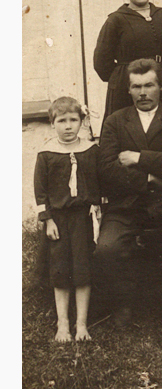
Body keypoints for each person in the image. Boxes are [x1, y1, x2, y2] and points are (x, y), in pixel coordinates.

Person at [94, 58, 162, 352]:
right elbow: (106, 169)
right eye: (136, 87)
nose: (143, 92)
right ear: (128, 90)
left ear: (161, 86)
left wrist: (139, 158)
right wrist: (150, 178)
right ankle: (123, 304)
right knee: (107, 247)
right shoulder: (115, 121)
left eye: (149, 85)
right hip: (127, 203)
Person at [34, 97, 102, 342]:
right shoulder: (46, 154)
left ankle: (81, 324)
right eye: (62, 121)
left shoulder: (90, 151)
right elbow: (40, 191)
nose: (68, 126)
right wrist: (48, 220)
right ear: (53, 123)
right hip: (59, 221)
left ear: (81, 121)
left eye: (73, 120)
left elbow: (98, 182)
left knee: (83, 269)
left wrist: (98, 210)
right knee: (60, 269)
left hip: (83, 218)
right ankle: (62, 323)